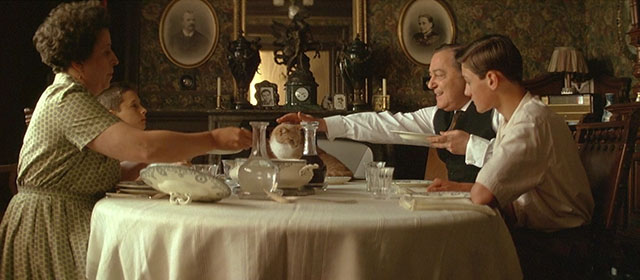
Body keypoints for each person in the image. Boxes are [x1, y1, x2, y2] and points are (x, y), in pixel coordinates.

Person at [0, 2, 252, 279]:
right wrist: (213, 138)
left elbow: (86, 173)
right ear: (77, 62)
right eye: (106, 52)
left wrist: (146, 166)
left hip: (63, 222)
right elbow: (143, 145)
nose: (115, 60)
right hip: (49, 229)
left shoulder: (76, 98)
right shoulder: (66, 99)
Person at [427, 34, 593, 231]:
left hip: (560, 241)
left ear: (491, 80)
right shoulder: (514, 117)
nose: (467, 93)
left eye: (469, 82)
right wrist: (457, 188)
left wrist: (465, 190)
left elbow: (482, 195)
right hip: (539, 231)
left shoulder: (530, 123)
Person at [277, 44, 500, 183]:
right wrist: (324, 124)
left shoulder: (497, 114)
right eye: (430, 76)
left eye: (439, 75)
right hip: (456, 205)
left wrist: (471, 145)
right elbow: (384, 124)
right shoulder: (437, 115)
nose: (431, 84)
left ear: (466, 75)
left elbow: (518, 164)